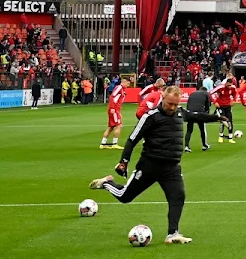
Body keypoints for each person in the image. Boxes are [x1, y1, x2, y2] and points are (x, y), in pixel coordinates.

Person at [88, 86, 227, 244]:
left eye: (176, 104)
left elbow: (196, 116)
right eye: (170, 104)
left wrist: (217, 118)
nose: (173, 108)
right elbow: (132, 139)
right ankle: (107, 183)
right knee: (124, 197)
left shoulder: (180, 112)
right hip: (150, 165)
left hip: (172, 168)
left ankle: (172, 234)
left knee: (178, 196)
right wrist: (123, 162)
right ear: (162, 97)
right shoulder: (151, 116)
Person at [101, 77, 131, 149]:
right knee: (119, 126)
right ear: (124, 82)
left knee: (111, 127)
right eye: (128, 83)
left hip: (115, 110)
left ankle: (103, 144)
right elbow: (112, 97)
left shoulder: (122, 89)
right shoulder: (119, 88)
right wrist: (112, 108)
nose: (128, 85)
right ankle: (114, 143)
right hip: (114, 110)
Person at [184, 83, 213, 152]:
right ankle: (204, 145)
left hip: (190, 113)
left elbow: (188, 104)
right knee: (202, 129)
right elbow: (208, 106)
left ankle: (186, 146)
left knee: (189, 130)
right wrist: (206, 115)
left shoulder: (192, 93)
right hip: (200, 113)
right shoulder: (206, 94)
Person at [211, 75, 238, 143]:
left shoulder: (233, 88)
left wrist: (234, 100)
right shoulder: (220, 87)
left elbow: (235, 94)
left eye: (230, 85)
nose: (229, 87)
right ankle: (221, 136)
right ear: (226, 83)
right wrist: (215, 102)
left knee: (230, 121)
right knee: (222, 121)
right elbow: (210, 93)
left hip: (228, 106)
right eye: (228, 85)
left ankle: (230, 138)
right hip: (220, 106)